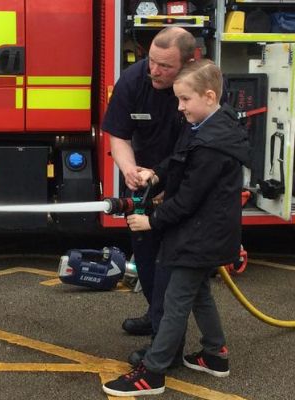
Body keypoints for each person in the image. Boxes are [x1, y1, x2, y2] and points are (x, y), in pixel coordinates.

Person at [102, 59, 250, 396]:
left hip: (200, 235)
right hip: (208, 234)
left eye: (185, 100)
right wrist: (155, 174)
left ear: (209, 96)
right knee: (199, 293)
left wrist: (150, 221)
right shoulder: (208, 127)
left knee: (175, 300)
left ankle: (152, 373)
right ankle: (216, 355)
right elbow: (179, 159)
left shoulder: (213, 145)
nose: (179, 107)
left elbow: (187, 200)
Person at [101, 27, 197, 340]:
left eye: (165, 66)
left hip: (183, 185)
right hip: (143, 182)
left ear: (187, 63)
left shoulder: (199, 87)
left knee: (171, 263)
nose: (154, 70)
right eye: (151, 60)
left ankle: (165, 340)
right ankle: (156, 314)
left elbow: (200, 149)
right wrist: (129, 170)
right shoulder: (133, 79)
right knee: (145, 258)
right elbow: (119, 135)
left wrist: (172, 187)